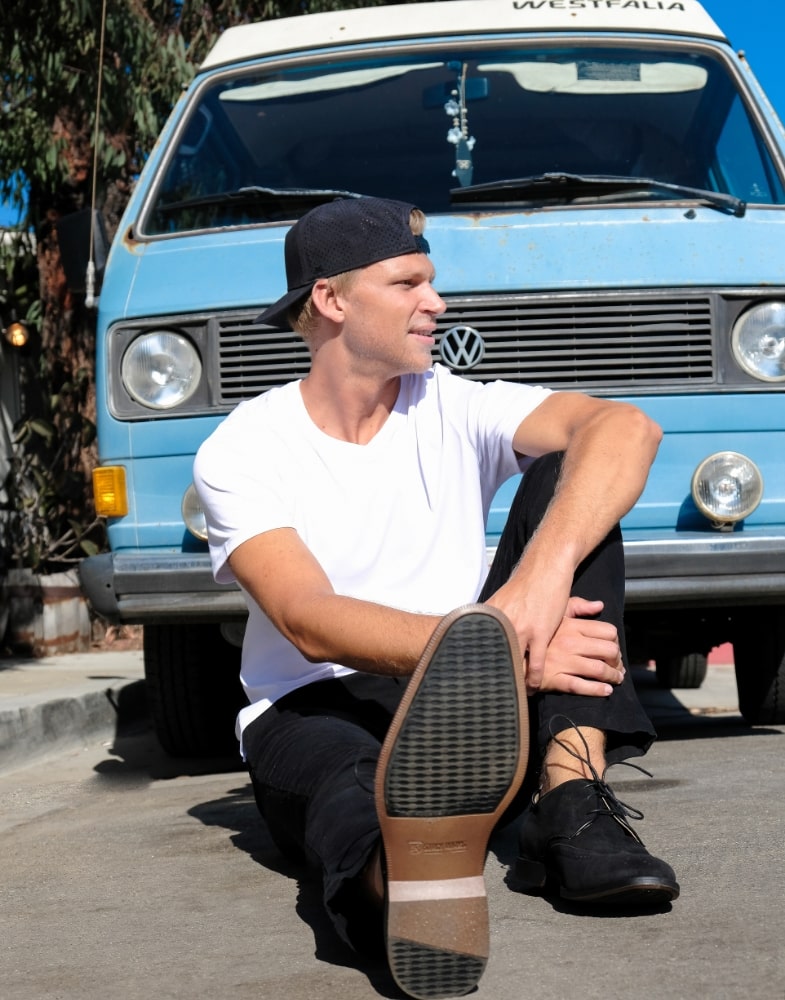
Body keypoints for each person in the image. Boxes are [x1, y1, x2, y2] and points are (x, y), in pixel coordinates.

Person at [193, 197, 678, 1000]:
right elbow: (306, 619)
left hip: (479, 701)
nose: (438, 304)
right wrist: (496, 642)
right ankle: (399, 892)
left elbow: (627, 428)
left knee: (572, 479)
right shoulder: (243, 448)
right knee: (351, 789)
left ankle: (570, 802)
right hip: (317, 705)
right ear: (332, 300)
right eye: (409, 282)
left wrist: (533, 593)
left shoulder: (451, 404)